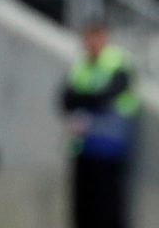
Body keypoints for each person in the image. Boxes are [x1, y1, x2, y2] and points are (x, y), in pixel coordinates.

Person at [60, 19, 140, 228]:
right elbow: (66, 100)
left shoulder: (117, 62)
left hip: (110, 147)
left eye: (95, 37)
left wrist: (85, 98)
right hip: (82, 147)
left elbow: (108, 95)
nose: (91, 43)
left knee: (108, 208)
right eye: (87, 38)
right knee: (83, 208)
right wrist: (91, 98)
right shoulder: (80, 66)